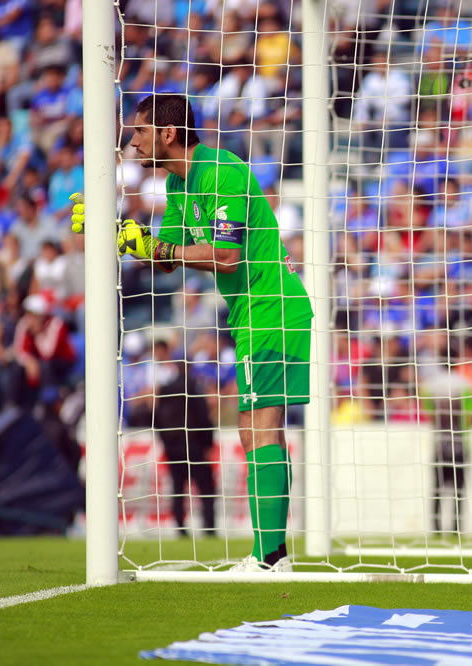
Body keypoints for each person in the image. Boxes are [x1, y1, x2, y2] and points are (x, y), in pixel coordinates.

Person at [70, 94, 313, 571]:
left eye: (139, 132)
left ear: (168, 133)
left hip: (273, 308)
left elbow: (224, 255)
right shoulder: (180, 187)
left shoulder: (221, 171)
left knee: (263, 429)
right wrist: (114, 231)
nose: (133, 142)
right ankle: (273, 555)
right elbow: (168, 256)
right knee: (251, 431)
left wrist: (154, 243)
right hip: (248, 314)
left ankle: (270, 561)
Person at [152, 339, 216, 537]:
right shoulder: (194, 388)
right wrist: (208, 444)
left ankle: (180, 528)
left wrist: (165, 442)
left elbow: (156, 420)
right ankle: (209, 527)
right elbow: (204, 418)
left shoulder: (165, 389)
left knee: (178, 488)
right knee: (206, 488)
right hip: (194, 444)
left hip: (173, 446)